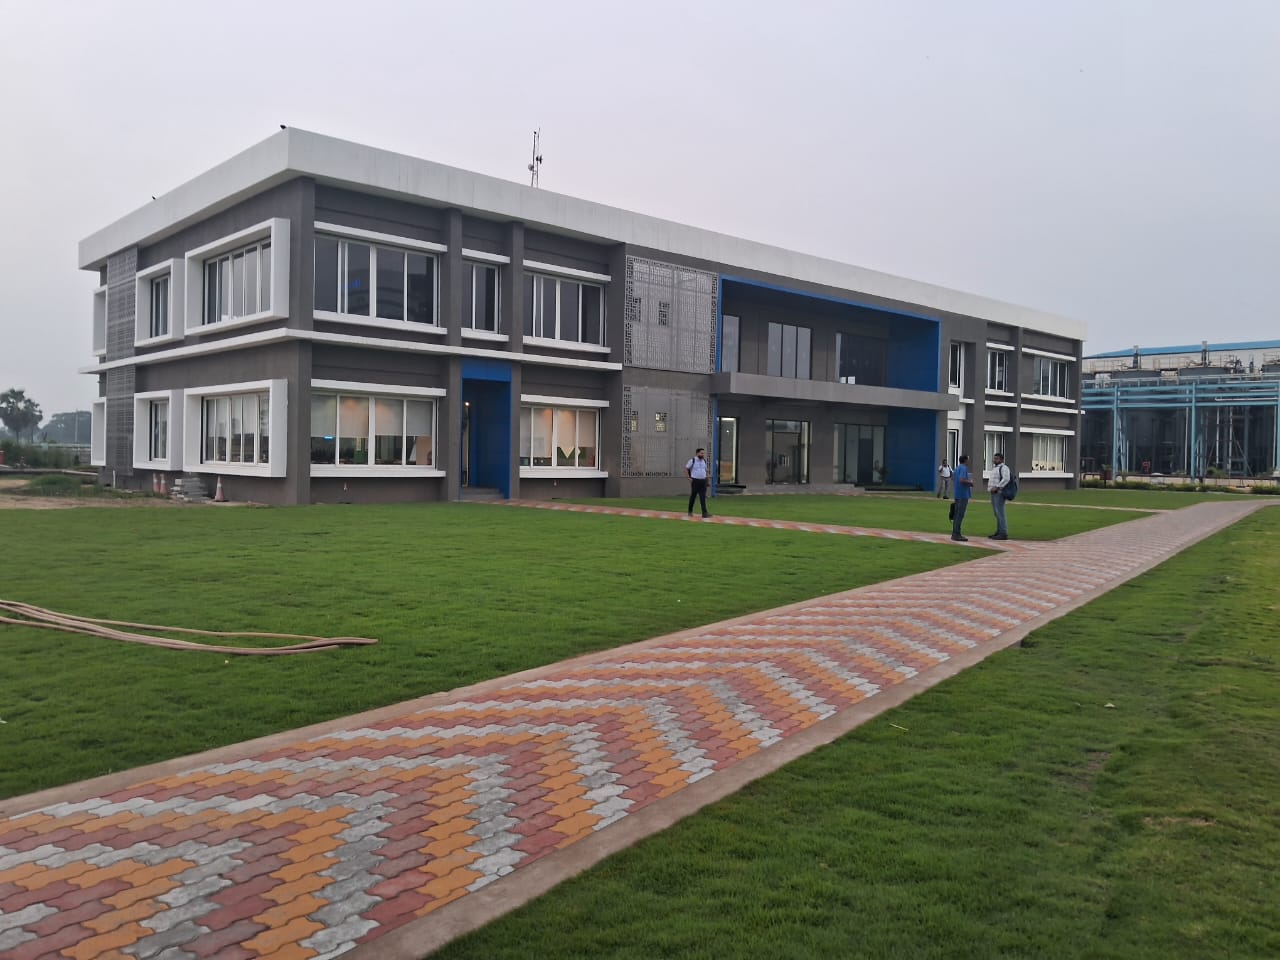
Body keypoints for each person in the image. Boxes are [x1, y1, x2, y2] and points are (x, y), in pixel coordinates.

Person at [988, 451, 1011, 540]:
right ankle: (999, 531)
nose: (994, 460)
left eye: (997, 459)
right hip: (993, 493)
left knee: (1000, 513)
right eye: (994, 458)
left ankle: (1003, 533)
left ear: (1001, 460)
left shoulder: (1004, 468)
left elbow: (1006, 479)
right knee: (996, 513)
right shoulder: (995, 468)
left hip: (999, 493)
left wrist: (997, 487)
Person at [950, 454, 974, 540]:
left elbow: (953, 478)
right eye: (968, 459)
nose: (969, 461)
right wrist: (970, 482)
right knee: (960, 515)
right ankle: (956, 534)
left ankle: (954, 533)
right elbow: (962, 480)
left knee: (956, 514)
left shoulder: (957, 468)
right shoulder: (964, 468)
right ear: (965, 460)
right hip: (963, 494)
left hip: (957, 494)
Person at [685, 448, 711, 518]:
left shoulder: (704, 461)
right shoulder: (692, 460)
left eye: (703, 453)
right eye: (701, 453)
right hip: (695, 481)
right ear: (697, 453)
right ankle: (690, 511)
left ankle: (704, 513)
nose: (703, 454)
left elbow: (706, 471)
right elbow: (686, 469)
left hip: (703, 481)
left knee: (703, 497)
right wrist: (688, 478)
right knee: (693, 496)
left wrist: (707, 481)